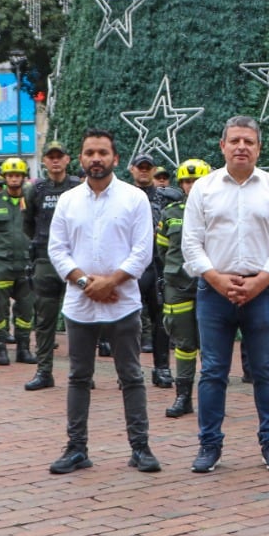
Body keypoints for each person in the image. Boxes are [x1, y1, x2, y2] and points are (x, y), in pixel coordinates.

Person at [181, 117, 269, 472]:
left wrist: (261, 280)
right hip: (213, 291)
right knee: (213, 371)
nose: (241, 146)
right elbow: (191, 242)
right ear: (223, 146)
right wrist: (215, 278)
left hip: (261, 291)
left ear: (259, 148)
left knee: (266, 371)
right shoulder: (204, 188)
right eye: (235, 141)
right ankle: (209, 446)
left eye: (249, 141)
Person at [46, 128, 158, 475]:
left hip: (123, 302)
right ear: (80, 158)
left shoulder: (134, 198)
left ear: (115, 159)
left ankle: (140, 448)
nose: (96, 158)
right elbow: (57, 250)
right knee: (79, 376)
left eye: (103, 153)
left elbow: (143, 250)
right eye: (90, 152)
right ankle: (76, 448)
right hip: (80, 305)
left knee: (132, 376)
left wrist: (111, 281)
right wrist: (84, 282)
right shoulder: (67, 200)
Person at [24, 141, 83, 389]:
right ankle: (44, 371)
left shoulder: (78, 188)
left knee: (80, 318)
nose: (55, 161)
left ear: (68, 160)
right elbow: (28, 224)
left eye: (60, 156)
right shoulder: (36, 190)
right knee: (45, 319)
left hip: (75, 260)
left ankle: (83, 373)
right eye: (51, 157)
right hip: (45, 261)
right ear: (45, 161)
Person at [158, 159, 209, 418]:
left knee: (212, 345)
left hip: (209, 285)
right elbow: (162, 250)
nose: (191, 186)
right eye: (187, 181)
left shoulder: (217, 211)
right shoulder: (170, 213)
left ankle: (212, 399)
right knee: (184, 343)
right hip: (177, 286)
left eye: (197, 180)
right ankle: (183, 397)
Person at [0, 158, 34, 366]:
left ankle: (24, 349)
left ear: (23, 177)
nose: (13, 179)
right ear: (4, 178)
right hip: (1, 265)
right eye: (10, 176)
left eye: (17, 175)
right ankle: (1, 350)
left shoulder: (31, 199)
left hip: (26, 264)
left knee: (25, 310)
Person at [128, 152, 171, 381]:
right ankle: (129, 369)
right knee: (129, 320)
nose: (144, 170)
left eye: (148, 167)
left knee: (160, 319)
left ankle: (161, 368)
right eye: (140, 167)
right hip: (132, 265)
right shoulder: (123, 196)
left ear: (153, 170)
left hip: (158, 264)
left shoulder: (167, 198)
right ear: (132, 169)